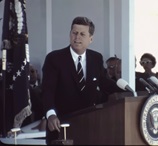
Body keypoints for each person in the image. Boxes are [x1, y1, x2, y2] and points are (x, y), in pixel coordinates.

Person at [41, 16, 123, 144]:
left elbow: (104, 82)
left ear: (90, 39)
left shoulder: (96, 58)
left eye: (82, 34)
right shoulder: (54, 59)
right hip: (61, 126)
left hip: (89, 126)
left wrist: (128, 92)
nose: (77, 37)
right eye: (74, 33)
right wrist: (50, 114)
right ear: (70, 34)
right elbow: (47, 91)